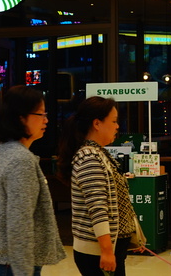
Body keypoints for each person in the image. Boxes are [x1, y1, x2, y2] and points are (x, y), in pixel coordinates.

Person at [0, 85, 66, 276]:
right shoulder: (21, 160)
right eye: (40, 114)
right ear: (21, 118)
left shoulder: (5, 150)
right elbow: (19, 223)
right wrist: (23, 271)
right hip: (13, 265)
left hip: (3, 260)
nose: (46, 120)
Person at [58, 97, 137, 276]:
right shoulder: (89, 158)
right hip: (97, 252)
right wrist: (107, 251)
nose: (117, 126)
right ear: (97, 123)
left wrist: (132, 236)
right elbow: (98, 208)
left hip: (111, 248)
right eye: (114, 121)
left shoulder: (99, 153)